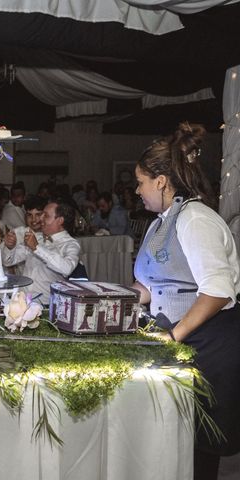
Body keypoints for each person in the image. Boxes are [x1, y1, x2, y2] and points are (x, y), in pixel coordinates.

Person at [130, 122, 240, 480]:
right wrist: (118, 296)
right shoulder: (160, 221)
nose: (137, 190)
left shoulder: (195, 219)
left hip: (207, 342)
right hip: (177, 340)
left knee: (198, 452)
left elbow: (217, 290)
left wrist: (175, 335)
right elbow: (150, 285)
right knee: (173, 444)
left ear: (161, 181)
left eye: (141, 182)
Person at [1, 200, 80, 304]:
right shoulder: (37, 237)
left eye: (46, 216)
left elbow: (67, 268)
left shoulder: (70, 244)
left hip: (47, 305)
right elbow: (8, 261)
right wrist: (9, 247)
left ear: (60, 220)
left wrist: (37, 248)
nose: (41, 219)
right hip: (21, 301)